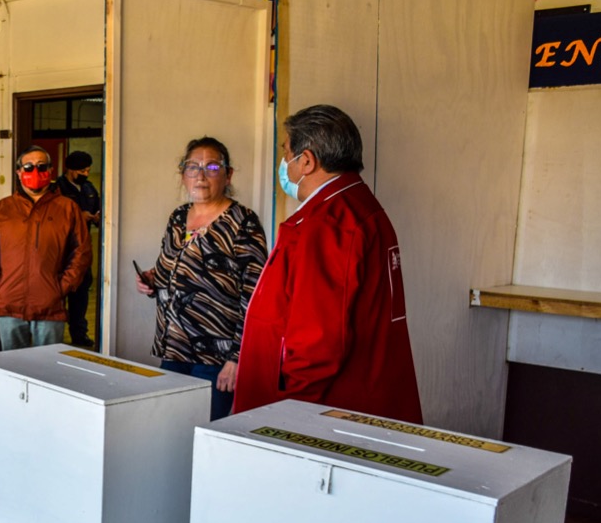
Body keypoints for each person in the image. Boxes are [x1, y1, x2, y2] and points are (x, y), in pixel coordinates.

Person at [233, 104, 423, 422]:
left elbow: (316, 341)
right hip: (358, 400)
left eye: (286, 152)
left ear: (306, 161)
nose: (284, 164)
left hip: (324, 412)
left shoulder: (327, 223)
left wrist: (288, 415)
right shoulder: (359, 206)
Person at [136, 137, 268, 420]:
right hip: (173, 348)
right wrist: (151, 280)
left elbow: (256, 295)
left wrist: (237, 358)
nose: (201, 175)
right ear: (183, 174)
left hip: (216, 356)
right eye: (193, 167)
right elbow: (168, 269)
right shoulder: (178, 217)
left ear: (228, 174)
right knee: (169, 430)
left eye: (212, 166)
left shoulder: (243, 221)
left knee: (204, 432)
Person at [0, 145, 91, 350]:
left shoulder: (67, 208)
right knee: (12, 367)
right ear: (19, 172)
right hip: (9, 305)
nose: (35, 172)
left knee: (47, 370)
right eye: (28, 167)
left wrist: (62, 286)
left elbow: (81, 252)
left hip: (49, 305)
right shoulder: (3, 208)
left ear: (51, 170)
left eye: (41, 166)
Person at [55, 149, 101, 347]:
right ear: (70, 170)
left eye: (88, 170)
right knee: (58, 296)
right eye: (82, 170)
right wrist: (77, 216)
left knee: (81, 296)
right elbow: (52, 218)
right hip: (61, 252)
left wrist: (98, 217)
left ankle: (79, 336)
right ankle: (55, 337)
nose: (86, 174)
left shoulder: (89, 188)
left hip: (82, 251)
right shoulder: (57, 189)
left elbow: (99, 209)